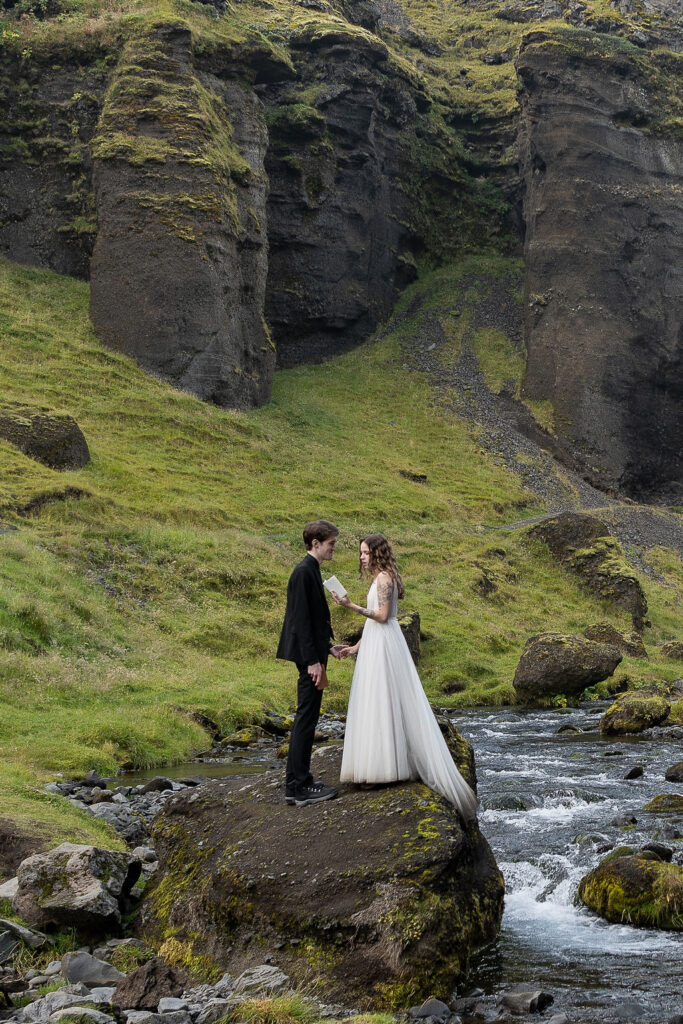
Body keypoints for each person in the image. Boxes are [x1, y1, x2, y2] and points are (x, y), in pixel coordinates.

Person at [333, 534, 477, 823]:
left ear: (377, 553)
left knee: (384, 700)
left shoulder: (384, 578)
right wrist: (356, 648)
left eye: (365, 552)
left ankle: (385, 769)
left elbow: (382, 616)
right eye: (360, 553)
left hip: (386, 646)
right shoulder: (378, 579)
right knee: (374, 701)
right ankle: (374, 766)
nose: (361, 557)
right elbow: (372, 623)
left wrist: (349, 605)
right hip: (376, 643)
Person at [277, 520, 340, 807]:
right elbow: (300, 621)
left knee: (308, 717)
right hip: (308, 659)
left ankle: (298, 784)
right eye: (331, 544)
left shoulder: (311, 570)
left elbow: (313, 620)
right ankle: (298, 786)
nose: (334, 548)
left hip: (313, 654)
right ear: (316, 543)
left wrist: (328, 647)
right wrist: (313, 660)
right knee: (305, 719)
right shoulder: (303, 572)